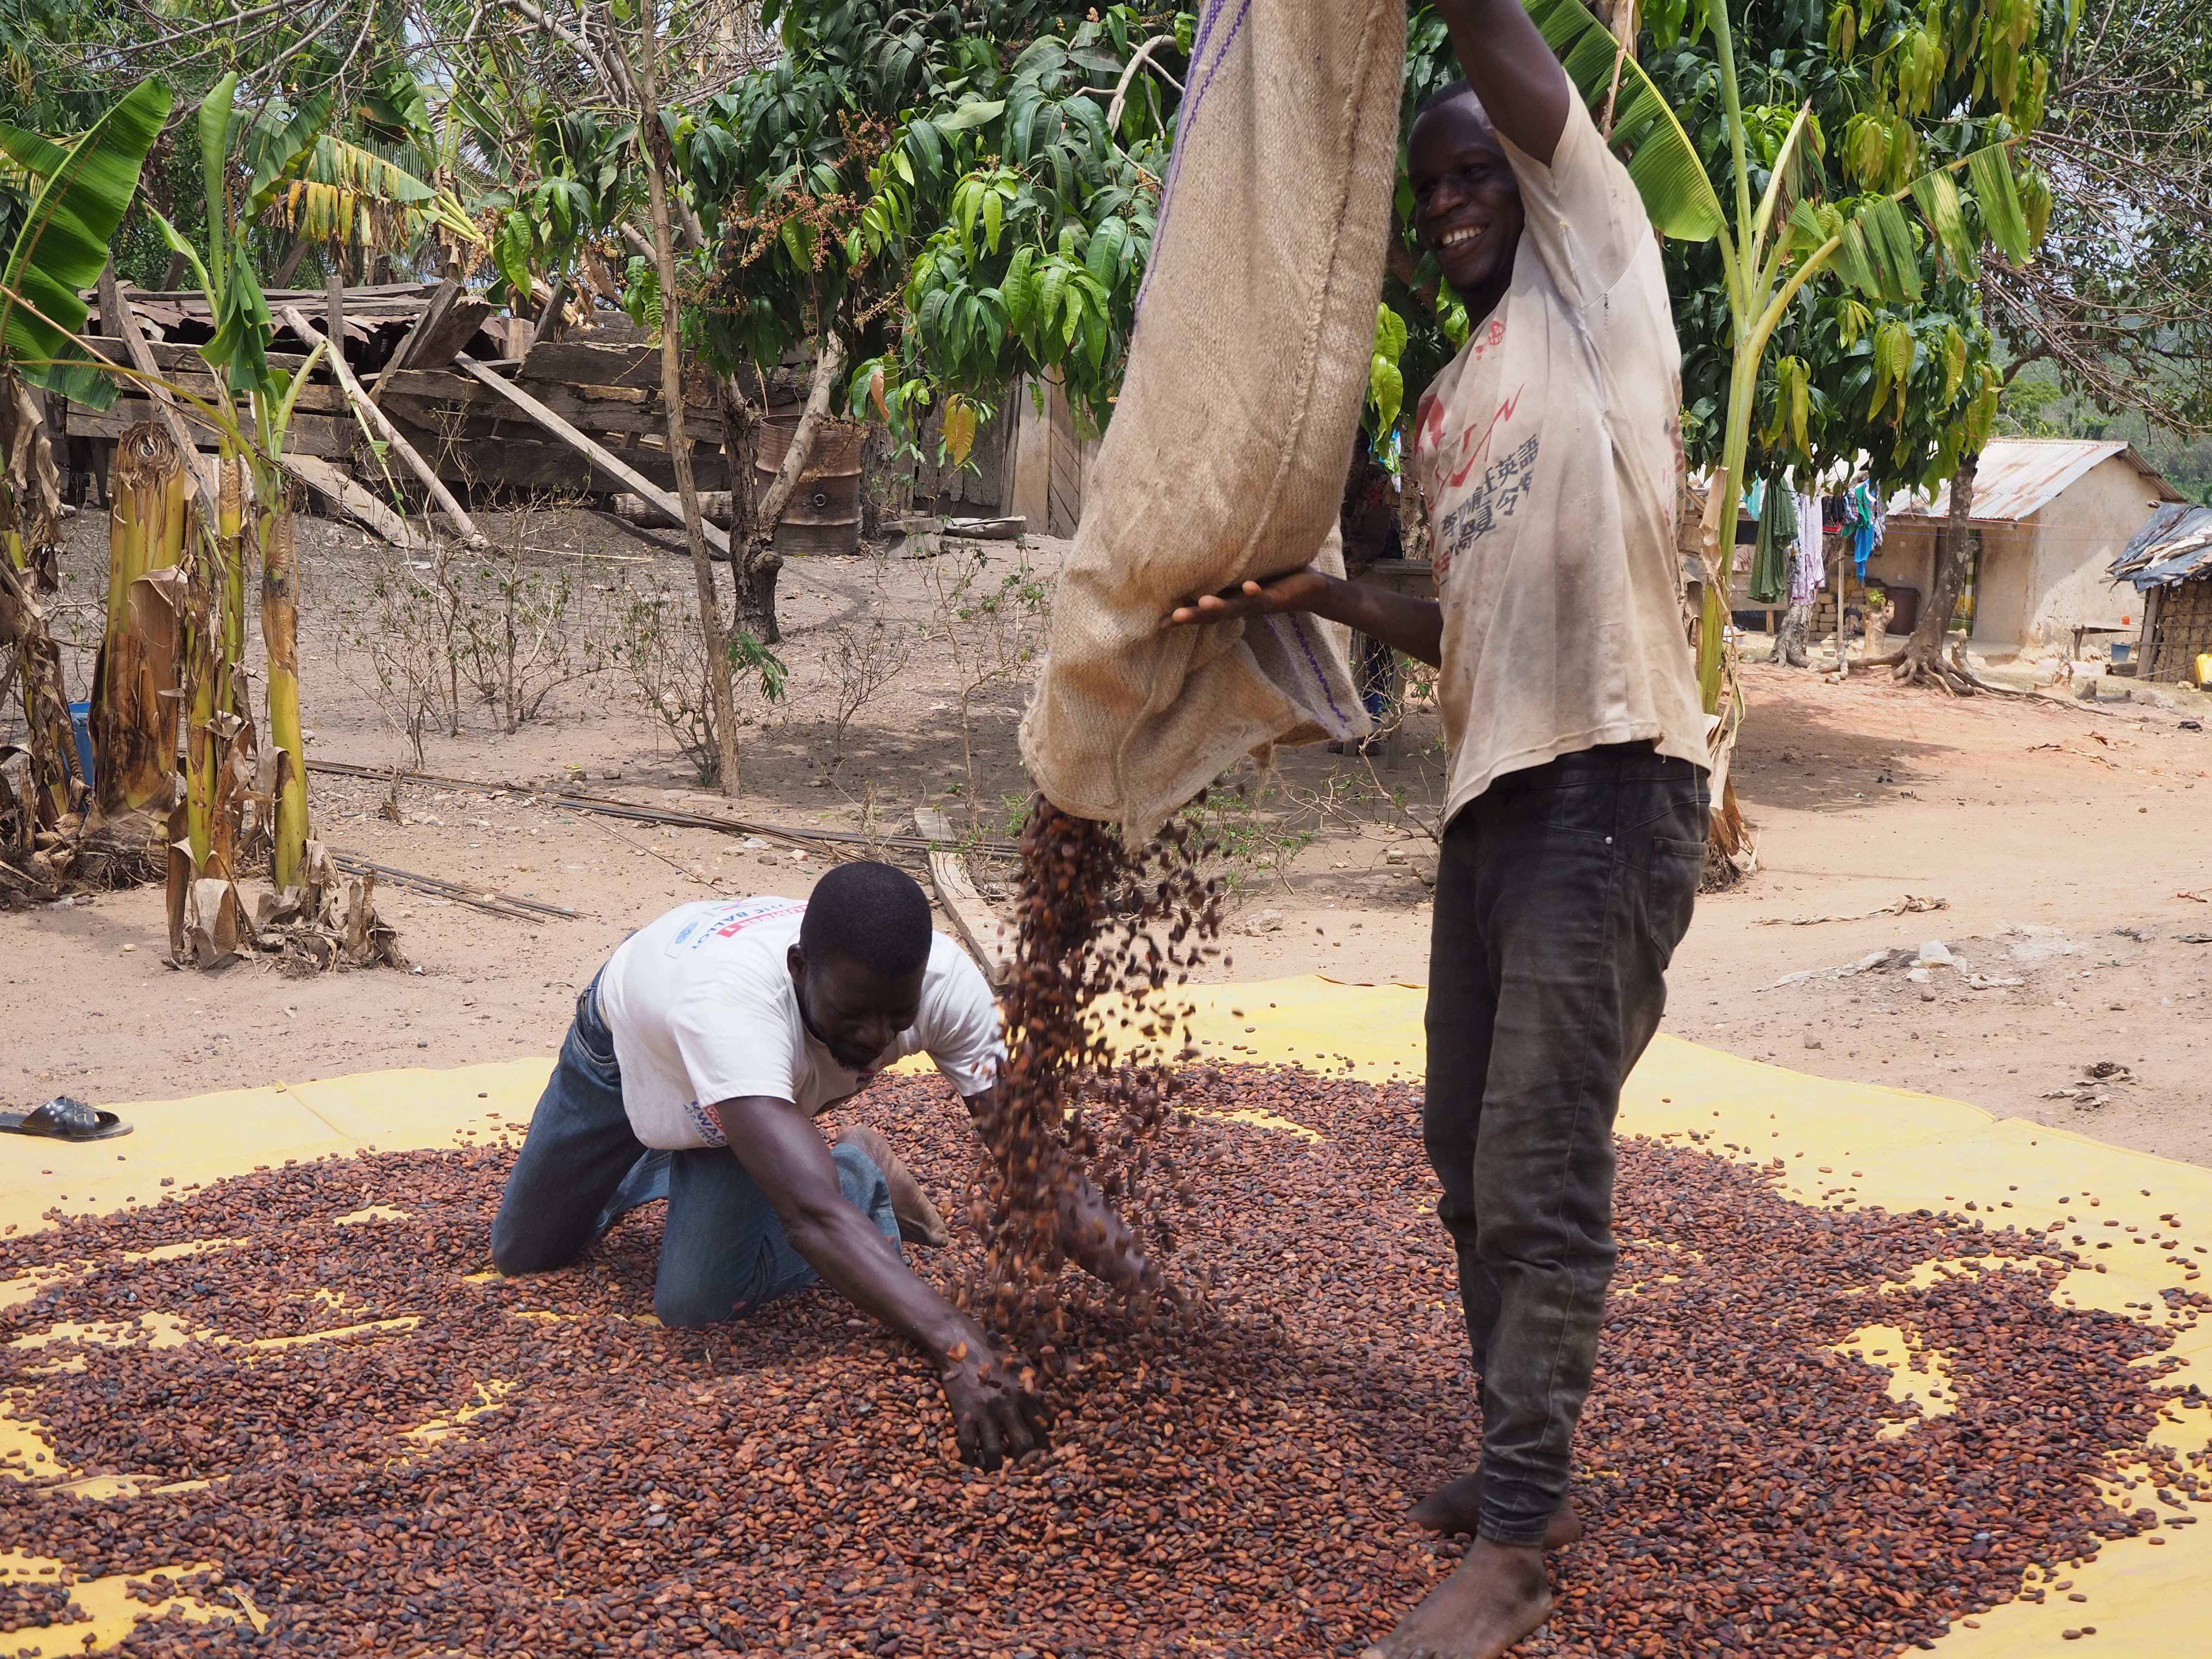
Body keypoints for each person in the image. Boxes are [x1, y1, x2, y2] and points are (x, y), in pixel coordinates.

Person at [1166, 2, 1708, 1654]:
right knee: (1461, 1154)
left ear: (1528, 177)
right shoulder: (1449, 392)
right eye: (1433, 188)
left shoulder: (1593, 278)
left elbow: (1518, 82)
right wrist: (1335, 592)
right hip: (1488, 800)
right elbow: (1460, 615)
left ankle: (1520, 1548)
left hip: (1606, 780)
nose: (1454, 198)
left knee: (1537, 1170)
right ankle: (1508, 1460)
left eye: (1475, 169)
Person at [491, 861, 1147, 1470]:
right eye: (853, 1012)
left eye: (898, 1015)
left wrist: (1145, 1289)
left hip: (755, 1103)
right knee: (524, 1253)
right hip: (630, 1048)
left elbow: (1031, 1160)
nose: (875, 1038)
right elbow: (809, 1217)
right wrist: (957, 1343)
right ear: (800, 966)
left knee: (695, 1302)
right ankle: (855, 1175)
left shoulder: (946, 986)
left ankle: (832, 1174)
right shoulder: (732, 1007)